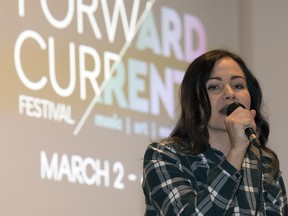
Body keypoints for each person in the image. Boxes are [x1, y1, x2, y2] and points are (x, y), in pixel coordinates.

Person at [142, 49, 287, 215]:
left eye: (238, 85)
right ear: (194, 101)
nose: (230, 94)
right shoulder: (165, 155)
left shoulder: (265, 163)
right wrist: (237, 151)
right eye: (214, 87)